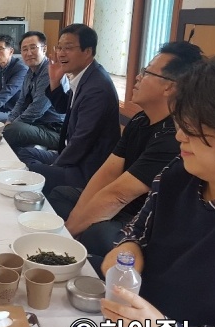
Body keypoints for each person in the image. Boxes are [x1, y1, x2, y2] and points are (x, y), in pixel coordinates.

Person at [100, 52, 215, 327]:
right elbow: (136, 232)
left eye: (196, 128)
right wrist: (126, 252)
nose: (180, 136)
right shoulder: (178, 174)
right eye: (181, 122)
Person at [51, 41, 204, 260]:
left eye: (147, 72)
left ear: (170, 87)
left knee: (98, 233)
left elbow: (119, 195)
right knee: (61, 196)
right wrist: (72, 224)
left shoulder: (172, 137)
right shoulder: (140, 119)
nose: (138, 77)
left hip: (143, 222)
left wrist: (67, 235)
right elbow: (107, 174)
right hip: (122, 209)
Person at [16, 24, 120, 196]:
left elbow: (82, 140)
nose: (61, 53)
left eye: (69, 48)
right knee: (22, 154)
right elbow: (64, 108)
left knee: (26, 172)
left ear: (88, 51)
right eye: (59, 48)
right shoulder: (84, 75)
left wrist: (54, 167)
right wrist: (54, 82)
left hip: (86, 169)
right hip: (72, 156)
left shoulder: (97, 87)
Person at [2, 31, 66, 150]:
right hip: (37, 124)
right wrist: (9, 120)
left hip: (54, 130)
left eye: (33, 48)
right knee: (1, 122)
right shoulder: (30, 72)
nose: (29, 53)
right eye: (24, 49)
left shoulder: (49, 72)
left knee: (12, 130)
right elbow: (21, 102)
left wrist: (11, 125)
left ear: (44, 49)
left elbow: (37, 109)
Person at [0, 34, 28, 122]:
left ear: (11, 51)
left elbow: (8, 91)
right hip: (2, 108)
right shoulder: (0, 68)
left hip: (15, 111)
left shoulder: (21, 68)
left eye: (0, 49)